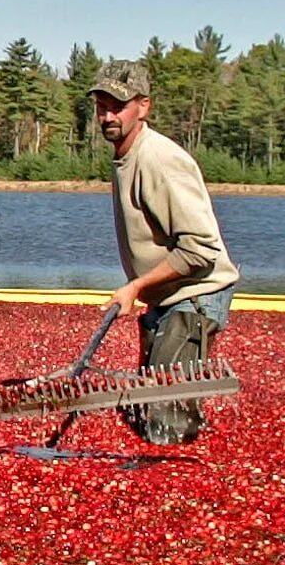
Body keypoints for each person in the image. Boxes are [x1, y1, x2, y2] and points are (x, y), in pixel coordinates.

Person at [89, 60, 238, 445]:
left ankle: (193, 477)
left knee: (166, 422)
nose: (107, 116)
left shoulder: (159, 159)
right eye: (101, 106)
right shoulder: (126, 155)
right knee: (149, 406)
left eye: (117, 106)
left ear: (144, 106)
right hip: (167, 297)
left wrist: (136, 286)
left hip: (195, 296)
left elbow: (201, 248)